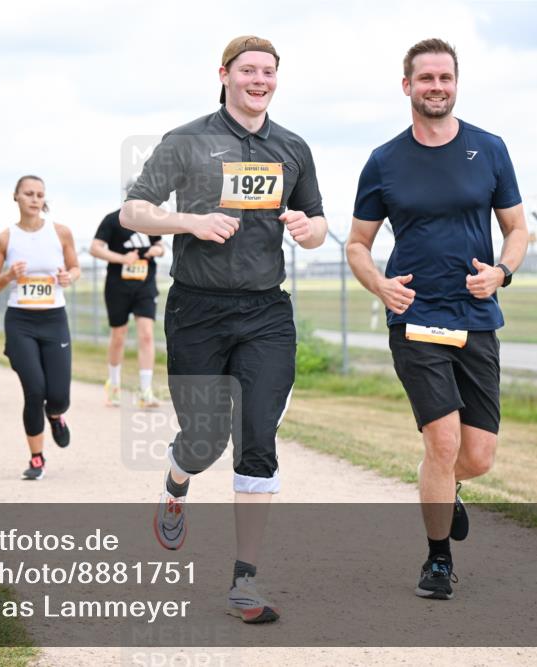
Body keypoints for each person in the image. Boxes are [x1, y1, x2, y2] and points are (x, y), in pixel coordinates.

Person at [121, 36, 327, 624]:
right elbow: (133, 210)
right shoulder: (188, 139)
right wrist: (191, 221)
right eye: (248, 71)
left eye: (268, 72)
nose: (258, 80)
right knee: (206, 439)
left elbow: (317, 224)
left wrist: (305, 228)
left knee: (258, 438)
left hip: (266, 313)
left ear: (275, 81)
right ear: (225, 75)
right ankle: (176, 479)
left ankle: (245, 580)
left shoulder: (293, 147)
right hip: (197, 310)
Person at [346, 38, 527, 601]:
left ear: (456, 84)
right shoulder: (384, 160)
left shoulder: (490, 150)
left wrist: (500, 271)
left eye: (445, 78)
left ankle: (442, 490)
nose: (436, 87)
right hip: (416, 318)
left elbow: (518, 229)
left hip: (475, 318)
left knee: (477, 457)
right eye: (425, 78)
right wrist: (378, 284)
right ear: (408, 86)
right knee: (443, 443)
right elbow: (356, 244)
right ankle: (438, 560)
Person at [0, 175, 80, 481]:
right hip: (20, 321)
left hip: (54, 320)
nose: (35, 199)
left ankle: (55, 415)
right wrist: (9, 275)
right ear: (16, 196)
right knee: (34, 390)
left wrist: (69, 277)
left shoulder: (61, 232)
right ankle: (37, 458)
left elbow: (74, 267)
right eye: (28, 193)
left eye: (40, 194)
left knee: (58, 396)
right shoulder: (4, 238)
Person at [90, 191, 166, 409]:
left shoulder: (152, 221)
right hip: (117, 286)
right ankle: (113, 385)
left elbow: (161, 246)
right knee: (119, 336)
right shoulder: (113, 219)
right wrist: (122, 258)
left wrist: (155, 251)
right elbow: (95, 248)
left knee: (146, 335)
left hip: (145, 285)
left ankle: (145, 391)